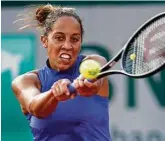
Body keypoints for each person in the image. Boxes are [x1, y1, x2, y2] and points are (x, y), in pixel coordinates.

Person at [12, 4, 111, 141]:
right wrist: (54, 93)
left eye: (75, 39)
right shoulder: (25, 81)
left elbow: (96, 80)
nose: (67, 45)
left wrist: (88, 84)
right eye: (59, 38)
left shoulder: (95, 61)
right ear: (45, 40)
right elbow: (36, 108)